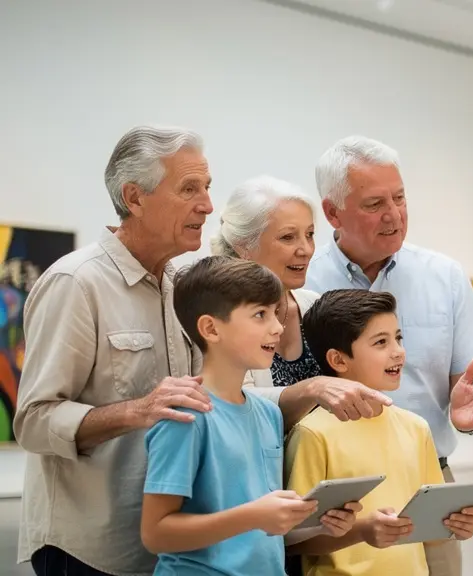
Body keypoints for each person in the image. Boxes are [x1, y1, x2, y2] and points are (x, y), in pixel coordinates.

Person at [11, 125, 389, 576]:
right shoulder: (76, 284)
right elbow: (33, 421)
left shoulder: (182, 286)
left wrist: (311, 389)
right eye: (189, 188)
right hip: (91, 548)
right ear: (134, 198)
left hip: (172, 549)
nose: (208, 205)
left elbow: (217, 397)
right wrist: (138, 410)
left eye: (207, 187)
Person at [305, 136, 473, 575]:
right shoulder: (303, 283)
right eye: (375, 202)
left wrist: (462, 413)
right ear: (332, 213)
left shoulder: (445, 277)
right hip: (340, 488)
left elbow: (471, 378)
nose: (394, 214)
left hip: (427, 476)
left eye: (400, 198)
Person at [140, 256, 359, 574]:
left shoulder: (269, 414)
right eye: (260, 315)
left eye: (275, 313)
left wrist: (321, 525)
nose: (278, 327)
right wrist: (254, 515)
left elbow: (264, 528)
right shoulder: (187, 415)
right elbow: (155, 534)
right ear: (211, 329)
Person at [284, 289, 473, 576]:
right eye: (381, 342)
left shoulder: (416, 428)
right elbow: (294, 540)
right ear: (339, 360)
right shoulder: (313, 433)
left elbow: (433, 530)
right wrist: (362, 531)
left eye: (398, 338)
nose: (398, 351)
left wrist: (459, 525)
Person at [209, 175, 393, 430]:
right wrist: (311, 388)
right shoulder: (216, 319)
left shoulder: (314, 306)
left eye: (309, 235)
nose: (306, 249)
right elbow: (232, 405)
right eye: (288, 237)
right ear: (243, 246)